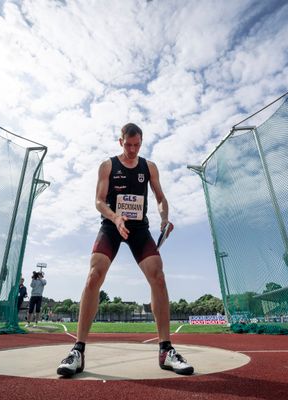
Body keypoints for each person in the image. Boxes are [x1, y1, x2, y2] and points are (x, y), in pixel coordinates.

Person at [56, 122, 193, 377]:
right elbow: (98, 201)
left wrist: (164, 218)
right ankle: (77, 350)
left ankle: (166, 350)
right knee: (94, 275)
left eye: (137, 145)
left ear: (141, 143)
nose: (132, 149)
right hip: (111, 225)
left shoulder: (149, 167)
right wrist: (115, 217)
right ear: (120, 142)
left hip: (139, 229)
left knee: (158, 276)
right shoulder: (107, 166)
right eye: (128, 145)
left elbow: (161, 198)